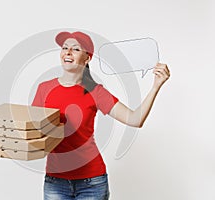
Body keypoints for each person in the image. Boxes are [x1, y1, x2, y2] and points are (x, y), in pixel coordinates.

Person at [31, 31, 170, 200]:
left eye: (75, 49)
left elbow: (135, 119)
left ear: (87, 58)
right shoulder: (44, 88)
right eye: (65, 48)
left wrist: (156, 86)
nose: (67, 52)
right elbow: (33, 130)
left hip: (91, 182)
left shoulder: (96, 92)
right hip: (55, 181)